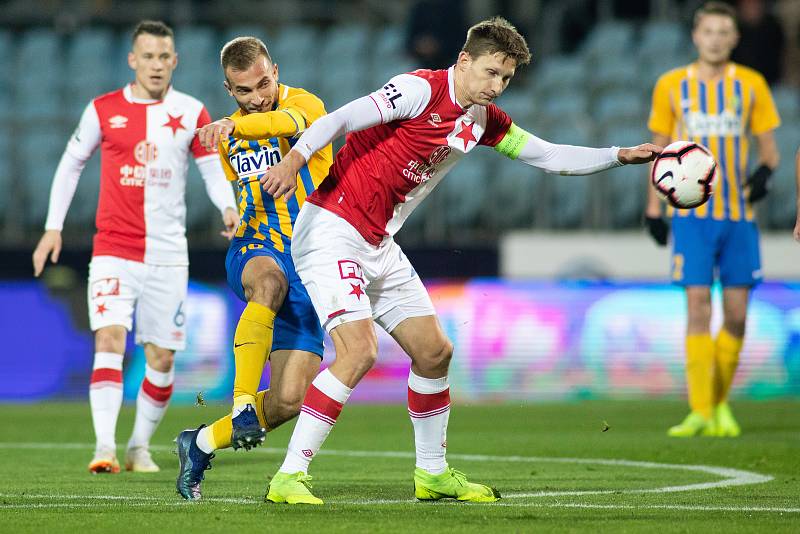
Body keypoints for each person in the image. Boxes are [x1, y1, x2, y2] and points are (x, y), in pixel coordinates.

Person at [259, 16, 661, 504]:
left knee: (434, 353)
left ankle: (432, 474)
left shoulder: (485, 121)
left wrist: (619, 155)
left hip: (379, 243)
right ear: (464, 60)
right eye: (491, 72)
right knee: (358, 351)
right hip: (331, 230)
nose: (498, 86)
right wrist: (295, 159)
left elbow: (549, 156)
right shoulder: (417, 91)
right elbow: (341, 119)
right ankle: (288, 478)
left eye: (507, 78)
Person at [31, 20, 239, 474]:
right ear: (133, 60)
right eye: (148, 57)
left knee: (162, 358)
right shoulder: (103, 110)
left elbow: (210, 170)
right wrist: (53, 227)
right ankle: (104, 446)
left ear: (175, 61)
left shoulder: (192, 112)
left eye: (164, 57)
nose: (156, 65)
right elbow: (70, 164)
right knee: (109, 338)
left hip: (167, 255)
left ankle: (137, 446)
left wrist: (228, 206)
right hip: (113, 250)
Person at [174, 36, 332, 500]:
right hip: (257, 244)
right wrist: (232, 214)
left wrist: (236, 125)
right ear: (230, 89)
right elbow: (240, 190)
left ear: (276, 71)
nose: (258, 96)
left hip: (311, 261)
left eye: (264, 83)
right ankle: (242, 402)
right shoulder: (228, 139)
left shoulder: (305, 104)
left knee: (287, 401)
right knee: (268, 282)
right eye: (245, 91)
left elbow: (287, 121)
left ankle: (199, 443)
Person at [644, 1, 780, 438]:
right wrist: (653, 209)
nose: (716, 39)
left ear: (735, 38)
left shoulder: (752, 84)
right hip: (691, 218)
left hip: (739, 216)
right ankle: (701, 411)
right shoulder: (670, 85)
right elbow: (659, 150)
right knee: (698, 306)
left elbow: (769, 151)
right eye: (709, 31)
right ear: (695, 36)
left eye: (725, 32)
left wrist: (764, 174)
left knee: (737, 315)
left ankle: (719, 403)